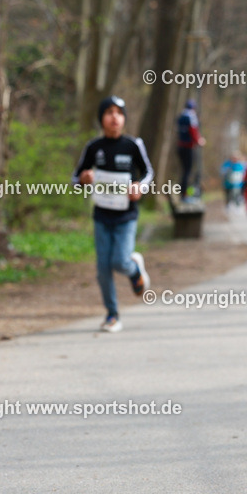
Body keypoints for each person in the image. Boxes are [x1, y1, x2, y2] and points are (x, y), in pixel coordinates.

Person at [73, 95, 154, 332]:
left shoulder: (133, 145)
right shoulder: (93, 147)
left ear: (124, 118)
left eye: (119, 113)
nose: (114, 117)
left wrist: (140, 187)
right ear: (101, 119)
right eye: (108, 112)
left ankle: (134, 267)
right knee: (103, 268)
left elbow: (148, 172)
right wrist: (83, 179)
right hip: (101, 215)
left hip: (126, 215)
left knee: (119, 261)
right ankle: (112, 314)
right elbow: (75, 178)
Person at [175, 100, 205, 199]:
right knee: (188, 171)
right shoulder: (191, 117)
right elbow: (193, 131)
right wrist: (199, 141)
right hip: (188, 147)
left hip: (180, 146)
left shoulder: (180, 116)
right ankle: (185, 194)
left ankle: (182, 192)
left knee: (184, 171)